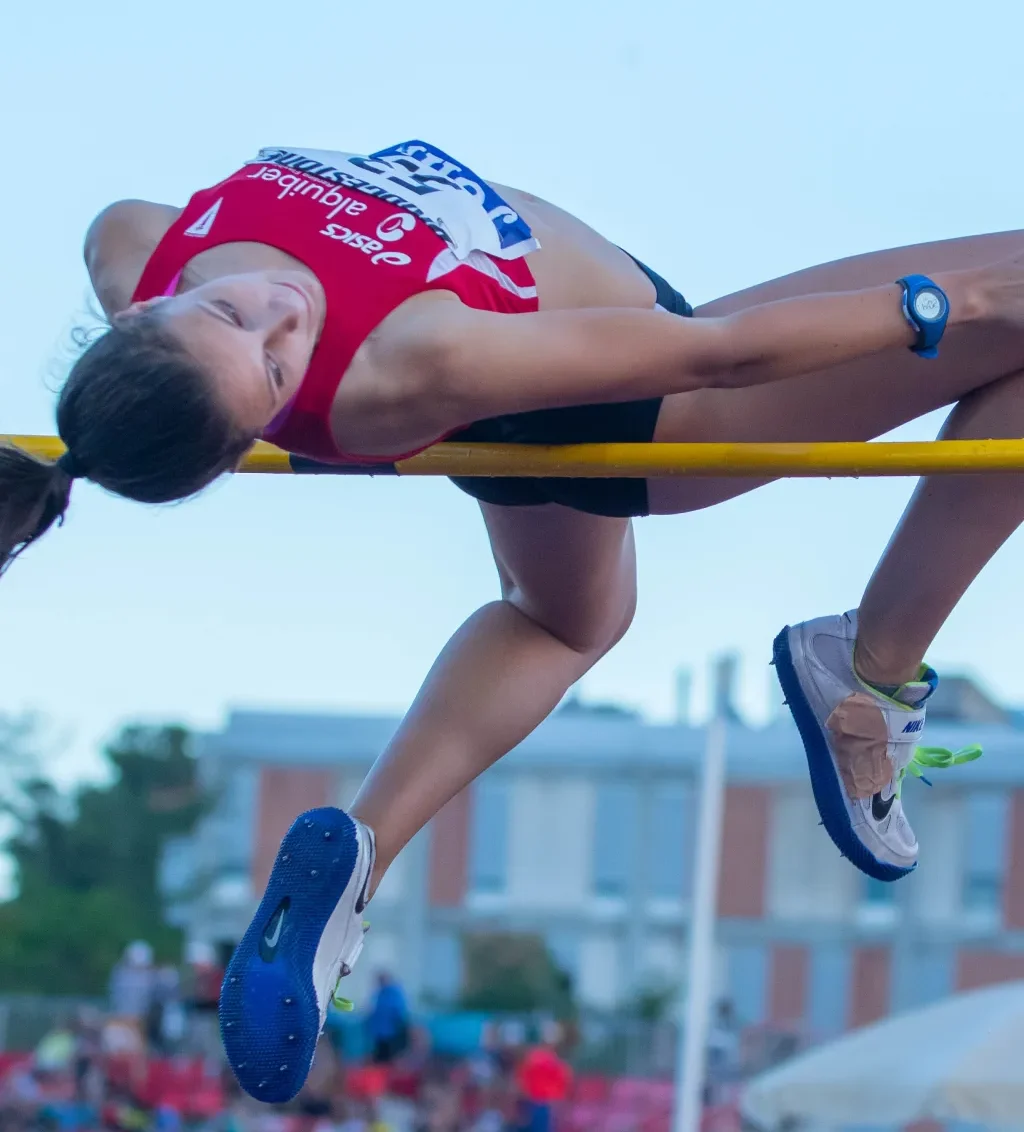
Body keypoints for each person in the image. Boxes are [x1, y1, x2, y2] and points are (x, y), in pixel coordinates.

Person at [3, 138, 1024, 1099]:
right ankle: (867, 668)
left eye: (230, 316)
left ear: (138, 310)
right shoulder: (406, 362)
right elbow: (722, 354)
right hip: (643, 395)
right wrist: (959, 299)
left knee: (564, 619)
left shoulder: (131, 239)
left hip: (534, 375)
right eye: (277, 371)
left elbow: (157, 256)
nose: (279, 310)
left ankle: (360, 850)